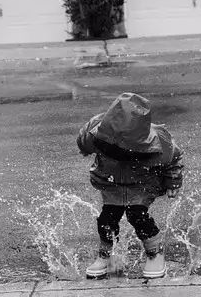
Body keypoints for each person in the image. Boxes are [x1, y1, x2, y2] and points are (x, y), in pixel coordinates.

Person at [76, 92, 184, 279]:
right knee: (107, 219)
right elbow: (84, 142)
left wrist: (173, 181)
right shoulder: (95, 131)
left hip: (142, 184)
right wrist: (86, 147)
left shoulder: (160, 142)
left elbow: (174, 159)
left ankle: (154, 253)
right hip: (111, 183)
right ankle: (105, 255)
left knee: (137, 215)